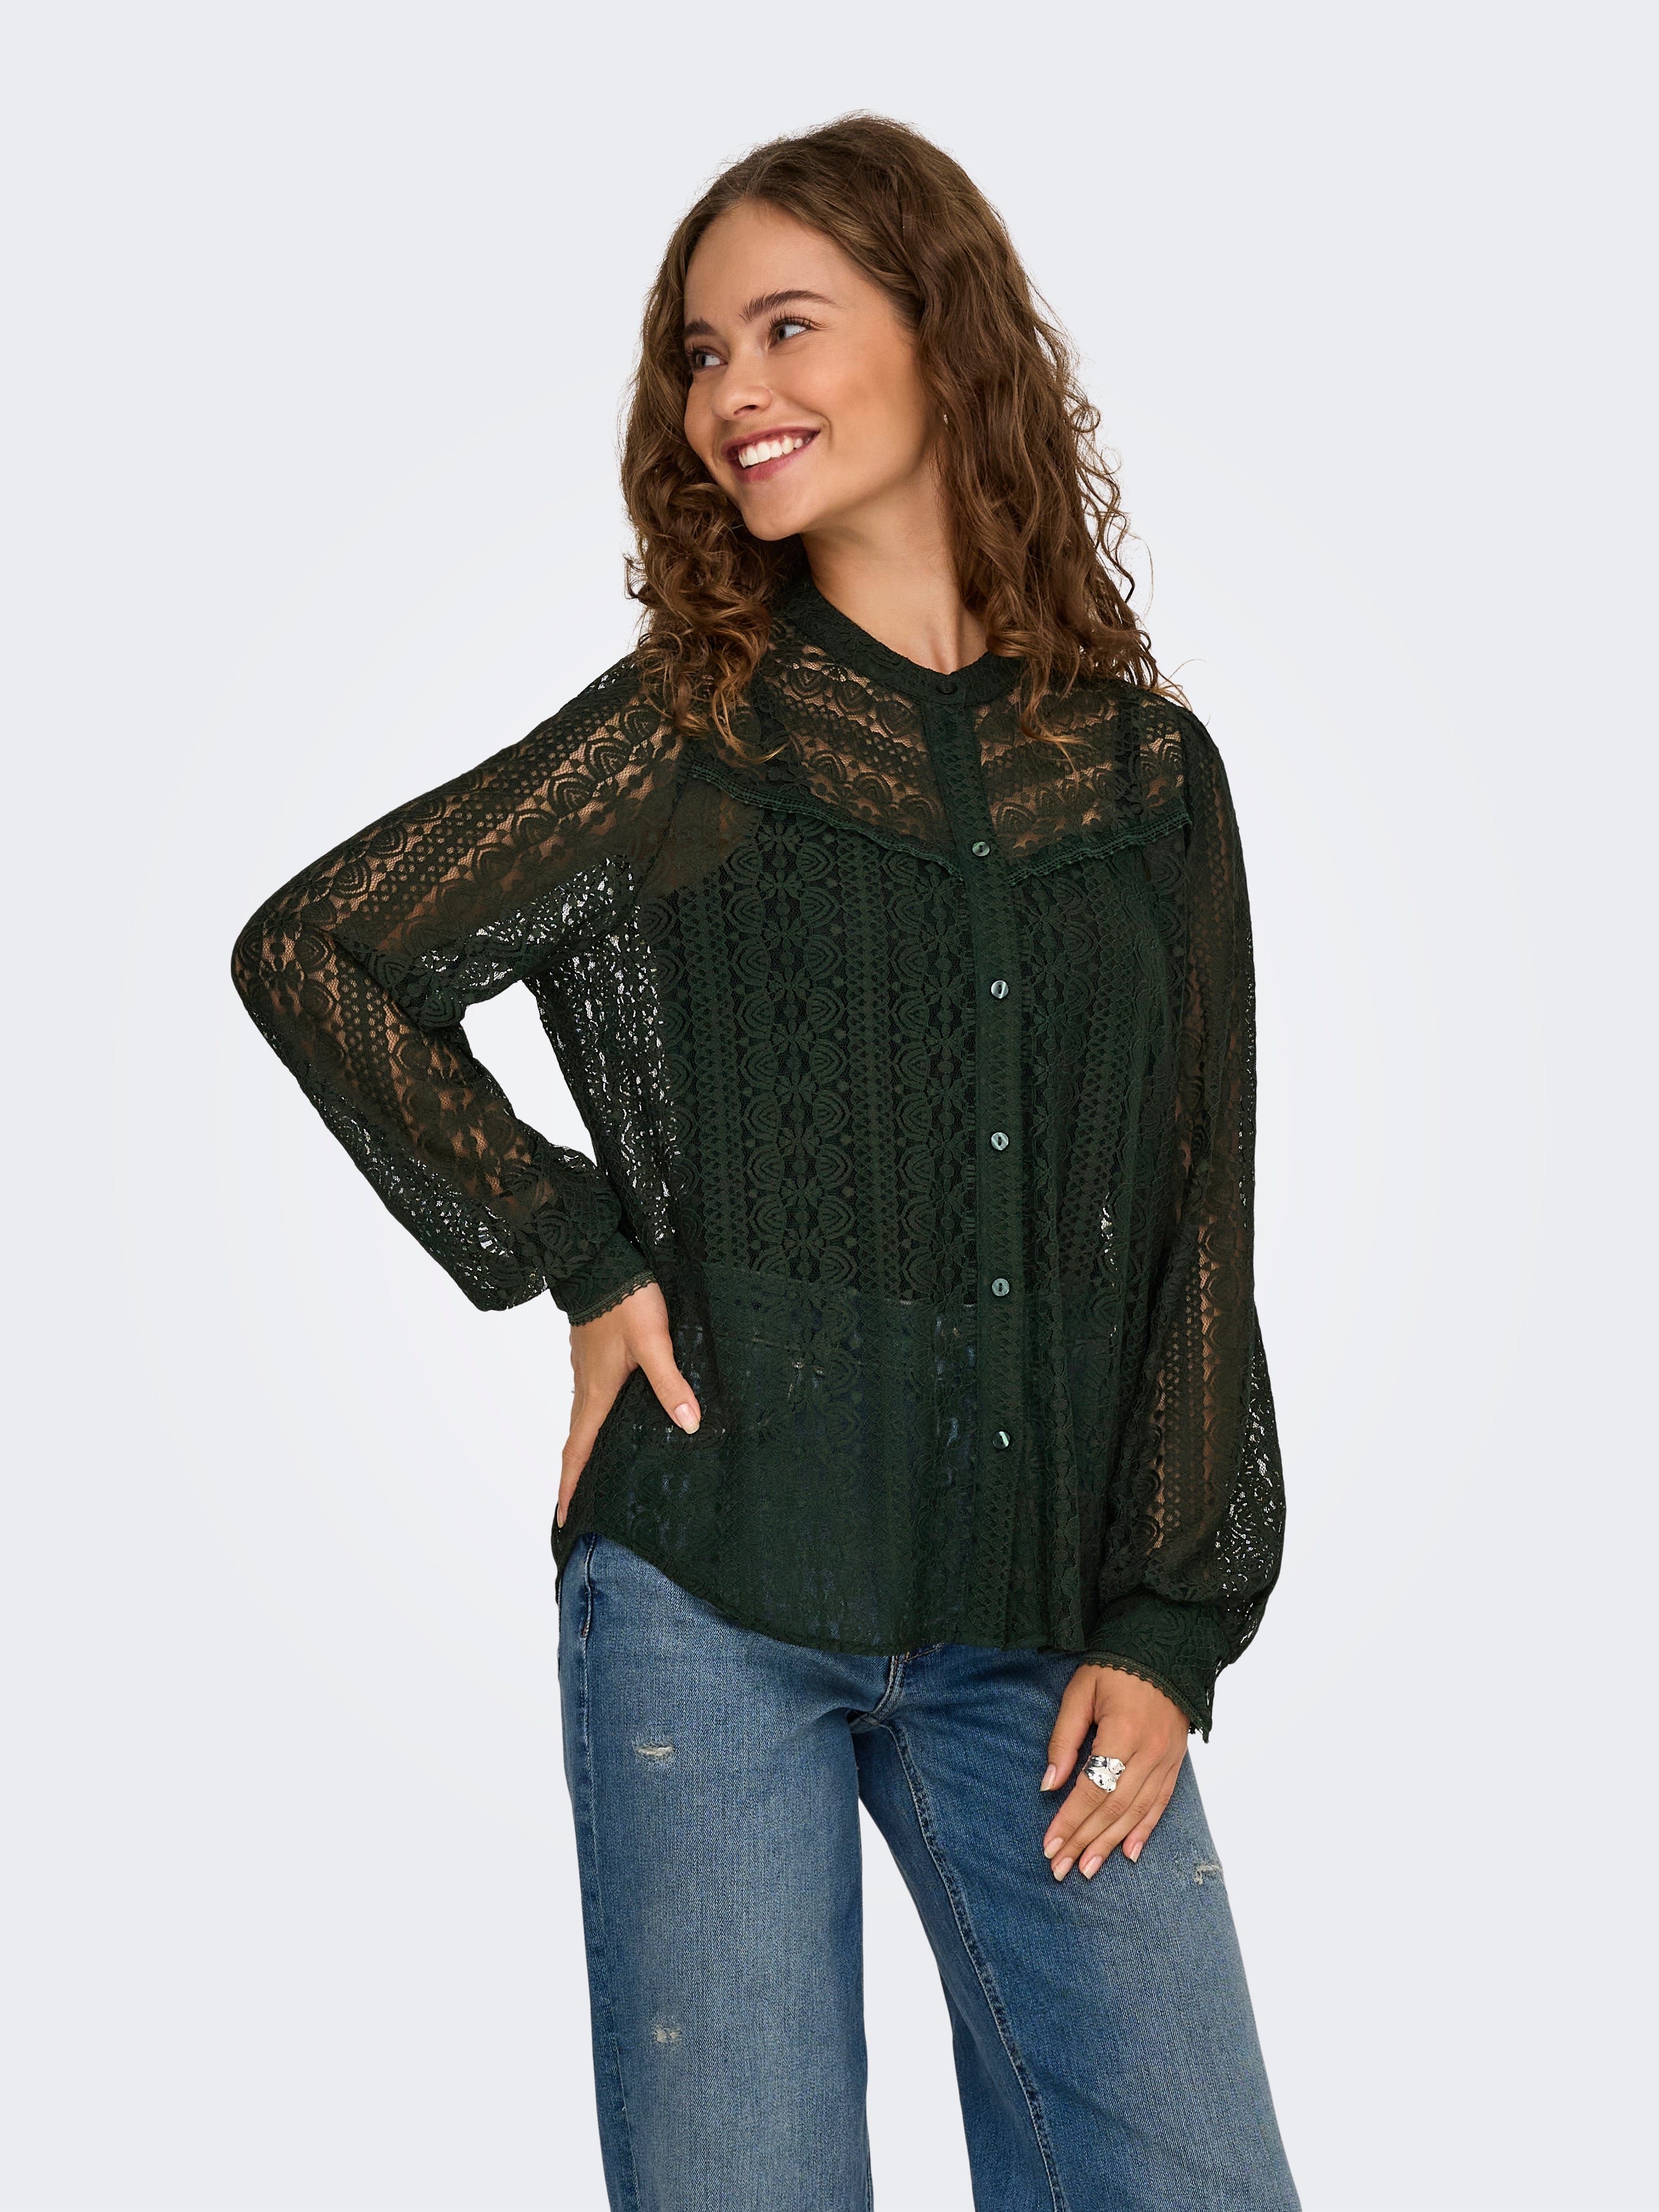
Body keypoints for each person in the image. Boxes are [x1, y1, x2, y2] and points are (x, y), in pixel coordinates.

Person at [232, 112, 1299, 2212]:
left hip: (1041, 1629)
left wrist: (1171, 1621)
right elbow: (323, 953)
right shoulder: (689, 733)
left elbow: (1198, 1215)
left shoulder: (1147, 778)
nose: (735, 393)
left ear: (944, 336)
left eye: (787, 328)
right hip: (711, 1593)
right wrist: (574, 1247)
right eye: (701, 355)